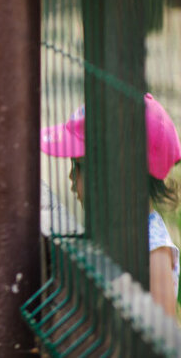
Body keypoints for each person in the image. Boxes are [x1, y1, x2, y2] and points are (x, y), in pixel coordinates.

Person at [41, 93, 181, 322]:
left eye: (78, 166)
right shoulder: (108, 231)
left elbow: (162, 342)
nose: (70, 177)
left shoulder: (152, 252)